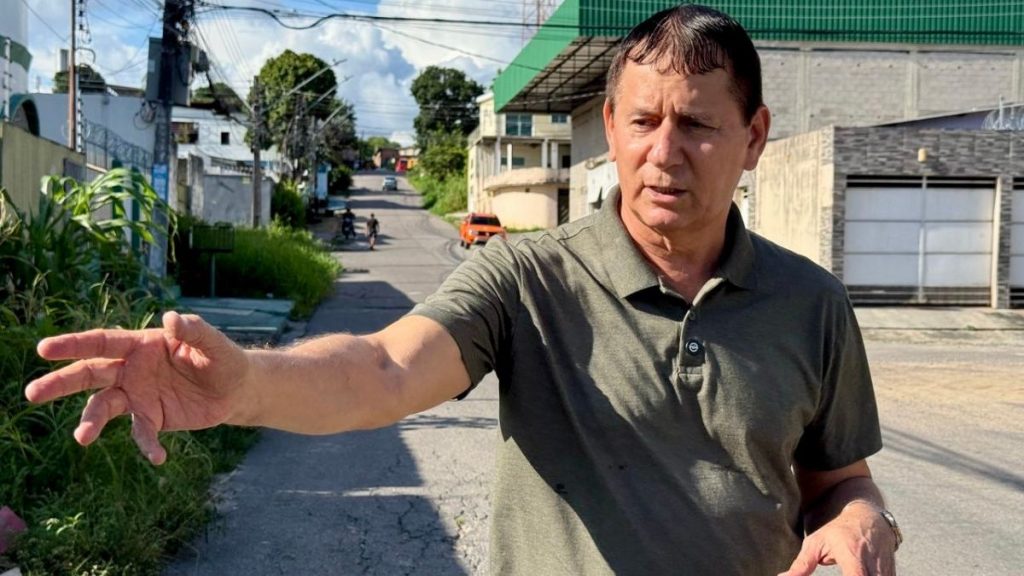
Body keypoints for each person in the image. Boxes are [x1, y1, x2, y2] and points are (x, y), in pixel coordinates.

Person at [24, 5, 898, 575]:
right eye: (642, 121)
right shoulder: (527, 278)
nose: (664, 152)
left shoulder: (811, 305)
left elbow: (839, 481)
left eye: (698, 124)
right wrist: (247, 385)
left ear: (754, 136)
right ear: (610, 127)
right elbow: (383, 368)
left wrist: (863, 519)